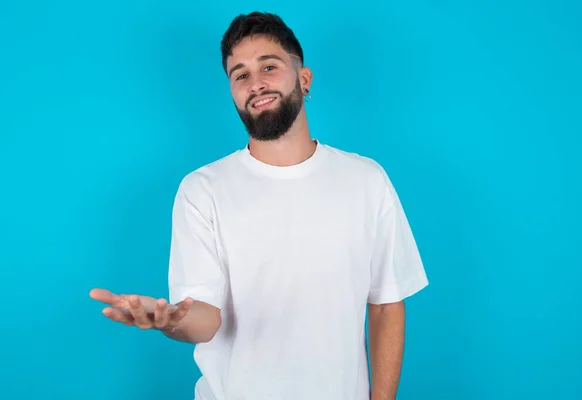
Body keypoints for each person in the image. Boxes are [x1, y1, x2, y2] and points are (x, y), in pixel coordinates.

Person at [90, 11, 429, 400]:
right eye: (240, 75)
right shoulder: (203, 190)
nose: (256, 84)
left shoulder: (366, 180)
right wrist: (169, 321)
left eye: (269, 66)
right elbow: (204, 318)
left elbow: (387, 305)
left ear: (304, 79)